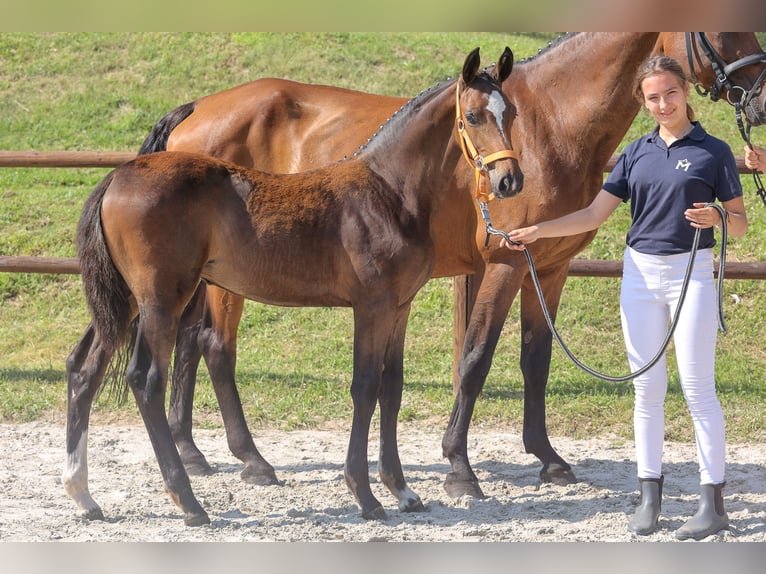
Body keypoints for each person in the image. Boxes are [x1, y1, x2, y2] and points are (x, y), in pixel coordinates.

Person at [502, 55, 748, 540]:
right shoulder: (637, 152)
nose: (663, 103)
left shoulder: (713, 152)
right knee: (646, 391)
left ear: (685, 93)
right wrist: (538, 230)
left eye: (670, 94)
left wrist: (720, 218)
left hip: (690, 274)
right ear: (644, 101)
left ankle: (712, 502)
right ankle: (649, 496)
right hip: (639, 276)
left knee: (699, 390)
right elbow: (594, 214)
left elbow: (739, 223)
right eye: (653, 97)